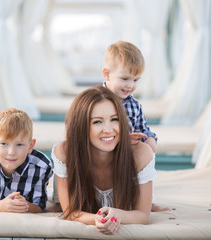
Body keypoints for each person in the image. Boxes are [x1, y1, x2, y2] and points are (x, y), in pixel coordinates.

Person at [52, 86, 156, 235]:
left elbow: (143, 215)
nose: (108, 129)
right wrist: (96, 219)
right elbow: (70, 211)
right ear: (81, 126)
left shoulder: (140, 153)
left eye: (114, 119)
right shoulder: (64, 152)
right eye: (97, 122)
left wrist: (118, 214)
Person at [102, 40, 169, 212]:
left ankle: (145, 200)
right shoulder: (95, 101)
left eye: (136, 80)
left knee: (145, 152)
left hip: (126, 155)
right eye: (124, 78)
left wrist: (151, 138)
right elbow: (85, 131)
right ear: (107, 74)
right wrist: (121, 138)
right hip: (100, 153)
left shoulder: (134, 105)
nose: (130, 85)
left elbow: (143, 128)